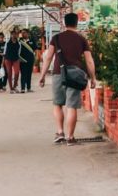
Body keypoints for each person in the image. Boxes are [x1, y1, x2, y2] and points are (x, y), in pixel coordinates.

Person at [38, 13, 96, 145]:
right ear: (77, 23)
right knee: (72, 107)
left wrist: (42, 76)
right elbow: (89, 60)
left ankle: (60, 132)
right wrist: (93, 78)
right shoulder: (81, 39)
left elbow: (48, 57)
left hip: (59, 73)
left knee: (57, 104)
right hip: (75, 75)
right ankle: (70, 137)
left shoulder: (56, 38)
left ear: (64, 23)